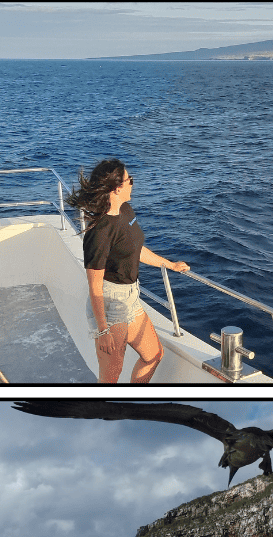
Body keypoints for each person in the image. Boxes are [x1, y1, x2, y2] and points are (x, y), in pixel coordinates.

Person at [66, 159, 190, 383]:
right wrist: (103, 330)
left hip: (131, 298)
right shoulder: (100, 232)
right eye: (129, 180)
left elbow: (135, 248)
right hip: (110, 304)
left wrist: (169, 264)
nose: (133, 183)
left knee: (154, 355)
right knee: (110, 379)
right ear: (116, 188)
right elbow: (95, 286)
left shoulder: (125, 209)